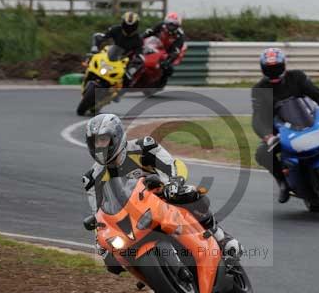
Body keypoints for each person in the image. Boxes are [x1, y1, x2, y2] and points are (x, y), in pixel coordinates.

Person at [82, 113, 242, 275]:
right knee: (113, 260)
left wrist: (173, 183)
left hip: (162, 197)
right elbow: (99, 217)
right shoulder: (92, 178)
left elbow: (171, 164)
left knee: (190, 196)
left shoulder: (143, 146)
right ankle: (151, 274)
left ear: (116, 137)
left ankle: (222, 239)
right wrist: (101, 247)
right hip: (130, 219)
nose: (99, 147)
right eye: (94, 142)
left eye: (103, 140)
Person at [252, 47, 319, 203]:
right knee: (262, 152)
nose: (274, 72)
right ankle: (282, 182)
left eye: (276, 68)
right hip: (280, 128)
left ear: (284, 66)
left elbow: (318, 93)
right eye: (270, 69)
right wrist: (268, 136)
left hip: (307, 119)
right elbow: (258, 118)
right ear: (263, 69)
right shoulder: (260, 89)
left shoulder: (297, 77)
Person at [90, 11, 144, 85]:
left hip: (124, 62)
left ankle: (121, 85)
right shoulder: (116, 29)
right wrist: (95, 48)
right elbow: (102, 37)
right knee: (92, 57)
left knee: (128, 80)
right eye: (127, 25)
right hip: (111, 54)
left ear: (136, 25)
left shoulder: (138, 39)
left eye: (132, 26)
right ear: (123, 23)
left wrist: (131, 71)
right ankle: (88, 70)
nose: (129, 28)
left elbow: (139, 54)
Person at [143, 12, 186, 84]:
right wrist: (141, 38)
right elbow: (150, 31)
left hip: (169, 50)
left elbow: (176, 50)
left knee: (168, 68)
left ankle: (160, 81)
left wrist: (168, 61)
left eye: (173, 24)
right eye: (169, 23)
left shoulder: (180, 35)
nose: (171, 26)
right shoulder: (161, 25)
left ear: (178, 25)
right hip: (157, 45)